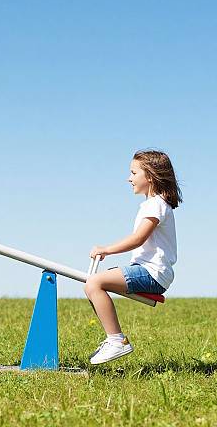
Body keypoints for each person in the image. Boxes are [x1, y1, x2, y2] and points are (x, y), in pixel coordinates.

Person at [84, 149, 182, 364]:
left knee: (94, 283)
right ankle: (113, 339)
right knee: (94, 285)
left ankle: (116, 340)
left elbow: (138, 239)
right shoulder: (152, 204)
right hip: (150, 271)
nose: (129, 178)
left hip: (152, 273)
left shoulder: (156, 205)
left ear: (150, 175)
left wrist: (105, 249)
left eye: (133, 173)